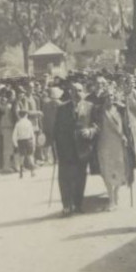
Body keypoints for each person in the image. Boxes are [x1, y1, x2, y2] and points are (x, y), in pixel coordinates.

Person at [52, 82, 97, 215]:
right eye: (73, 91)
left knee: (80, 178)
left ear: (83, 91)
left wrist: (90, 131)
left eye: (79, 90)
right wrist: (56, 150)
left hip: (82, 148)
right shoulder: (62, 108)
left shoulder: (90, 107)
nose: (76, 93)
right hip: (66, 149)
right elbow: (56, 130)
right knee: (65, 178)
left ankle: (77, 204)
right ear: (69, 93)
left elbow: (96, 124)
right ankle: (66, 205)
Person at [93, 86, 133, 209]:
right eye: (107, 96)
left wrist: (127, 136)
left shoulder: (120, 109)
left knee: (119, 169)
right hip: (104, 145)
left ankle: (116, 192)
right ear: (104, 98)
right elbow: (95, 125)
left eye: (111, 96)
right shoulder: (99, 111)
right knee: (106, 171)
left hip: (118, 144)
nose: (110, 98)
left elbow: (126, 125)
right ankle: (111, 199)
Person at [13, 106, 37, 177]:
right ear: (26, 115)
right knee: (30, 156)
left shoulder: (18, 124)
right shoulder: (29, 123)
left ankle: (21, 172)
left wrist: (15, 144)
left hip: (21, 141)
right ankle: (32, 171)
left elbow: (14, 135)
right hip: (28, 140)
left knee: (22, 156)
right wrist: (34, 142)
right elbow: (32, 133)